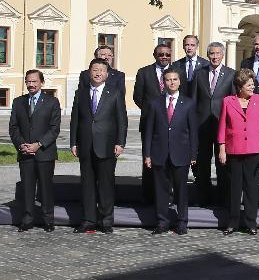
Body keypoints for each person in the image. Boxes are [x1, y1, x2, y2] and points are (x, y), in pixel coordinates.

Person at [70, 58, 128, 234]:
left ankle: (106, 220)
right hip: (85, 144)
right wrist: (73, 142)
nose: (98, 73)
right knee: (87, 184)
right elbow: (75, 120)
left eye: (101, 70)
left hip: (107, 145)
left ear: (107, 74)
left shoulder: (115, 92)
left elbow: (122, 120)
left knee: (106, 184)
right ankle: (88, 220)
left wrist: (120, 142)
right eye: (95, 70)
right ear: (89, 72)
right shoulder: (80, 93)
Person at [143, 69, 198, 235]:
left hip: (181, 153)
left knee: (181, 190)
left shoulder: (188, 103)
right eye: (168, 80)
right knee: (161, 190)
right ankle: (162, 221)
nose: (171, 82)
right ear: (163, 83)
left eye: (174, 79)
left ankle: (182, 222)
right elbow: (149, 131)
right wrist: (147, 154)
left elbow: (193, 131)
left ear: (180, 82)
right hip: (159, 153)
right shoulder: (155, 103)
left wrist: (193, 154)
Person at [217, 69, 259, 235]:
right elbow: (222, 127)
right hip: (234, 150)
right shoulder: (228, 101)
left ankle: (251, 222)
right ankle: (232, 222)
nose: (252, 87)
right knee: (234, 188)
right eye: (249, 84)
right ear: (239, 86)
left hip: (254, 150)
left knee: (251, 188)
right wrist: (222, 148)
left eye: (253, 84)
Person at [9, 70, 61, 232]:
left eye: (34, 82)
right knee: (27, 188)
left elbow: (54, 128)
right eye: (28, 82)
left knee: (46, 188)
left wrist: (39, 144)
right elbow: (13, 127)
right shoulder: (18, 102)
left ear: (42, 83)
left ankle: (48, 220)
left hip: (45, 153)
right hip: (25, 152)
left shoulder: (52, 102)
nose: (31, 85)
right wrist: (21, 144)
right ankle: (27, 219)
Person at [135, 43, 183, 203]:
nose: (164, 57)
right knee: (149, 162)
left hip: (173, 125)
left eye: (167, 54)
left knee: (171, 161)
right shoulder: (144, 72)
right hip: (151, 124)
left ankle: (170, 198)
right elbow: (138, 97)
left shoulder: (177, 72)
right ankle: (149, 197)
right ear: (155, 55)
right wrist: (154, 113)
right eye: (161, 54)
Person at [191, 42, 236, 206]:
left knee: (222, 163)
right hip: (202, 125)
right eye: (211, 53)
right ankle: (202, 198)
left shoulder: (231, 74)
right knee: (202, 163)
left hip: (221, 125)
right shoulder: (199, 73)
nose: (215, 56)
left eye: (217, 53)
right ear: (208, 55)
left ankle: (223, 199)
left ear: (222, 55)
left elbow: (233, 102)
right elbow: (193, 100)